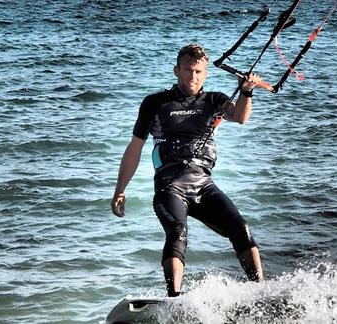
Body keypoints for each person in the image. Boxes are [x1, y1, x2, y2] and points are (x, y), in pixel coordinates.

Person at [111, 43, 263, 297]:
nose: (193, 76)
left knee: (240, 227)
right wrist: (120, 190)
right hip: (170, 187)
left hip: (204, 185)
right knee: (178, 232)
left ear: (205, 74)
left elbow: (240, 117)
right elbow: (135, 148)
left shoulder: (214, 100)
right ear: (177, 70)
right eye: (188, 70)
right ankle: (174, 299)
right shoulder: (155, 103)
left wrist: (246, 91)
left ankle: (261, 291)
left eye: (198, 72)